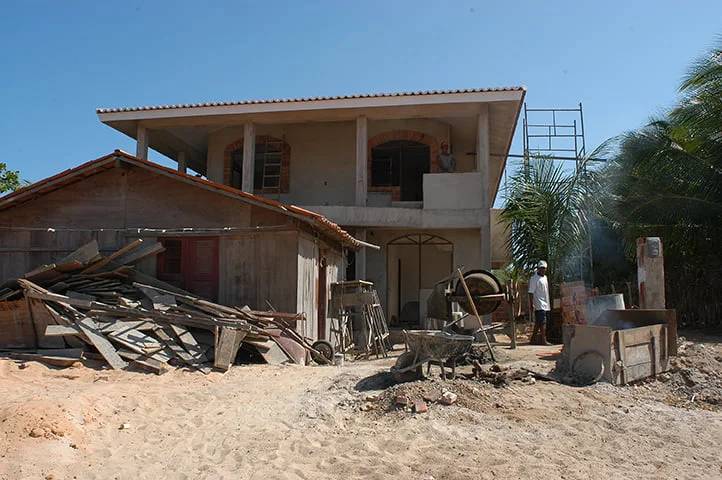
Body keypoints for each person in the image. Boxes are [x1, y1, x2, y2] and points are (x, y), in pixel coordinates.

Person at [528, 260, 552, 345]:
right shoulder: (534, 279)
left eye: (544, 268)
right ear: (538, 269)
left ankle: (532, 340)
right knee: (542, 322)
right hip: (539, 303)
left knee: (538, 323)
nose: (543, 270)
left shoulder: (545, 278)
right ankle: (543, 340)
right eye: (541, 268)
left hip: (545, 303)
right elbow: (531, 292)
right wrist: (531, 304)